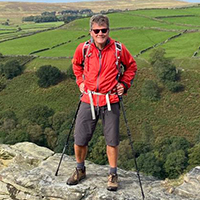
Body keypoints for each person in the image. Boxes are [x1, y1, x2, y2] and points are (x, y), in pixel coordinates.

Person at [67, 14, 137, 191]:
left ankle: (113, 174)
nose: (100, 34)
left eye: (103, 30)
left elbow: (131, 66)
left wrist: (124, 84)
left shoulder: (119, 49)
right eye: (96, 31)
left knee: (112, 140)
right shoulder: (83, 48)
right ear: (91, 31)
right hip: (88, 98)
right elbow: (76, 65)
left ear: (108, 30)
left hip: (110, 99)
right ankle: (80, 169)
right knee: (80, 138)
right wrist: (80, 82)